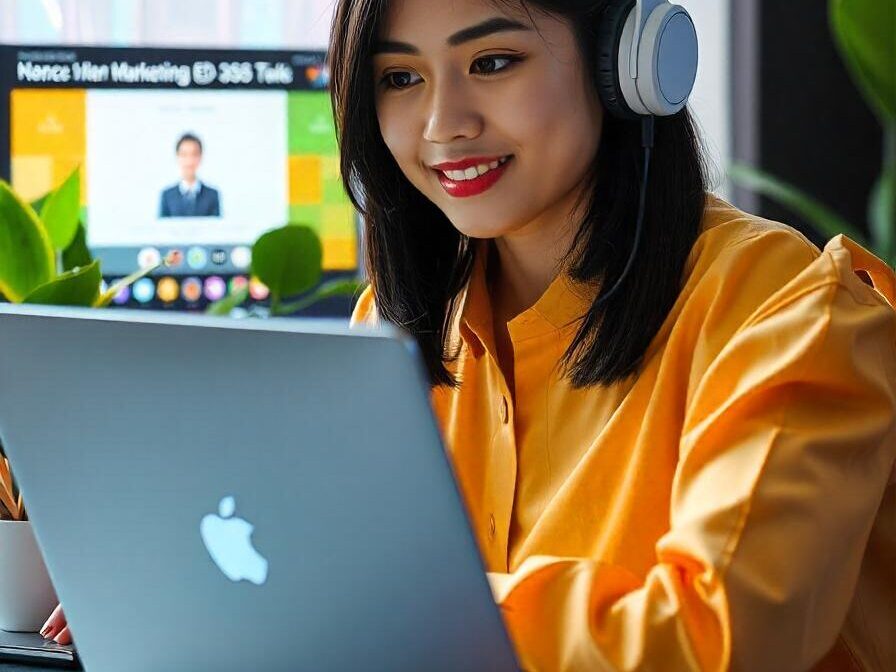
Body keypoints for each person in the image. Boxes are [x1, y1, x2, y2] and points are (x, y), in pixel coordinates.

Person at [43, 1, 896, 669]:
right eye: (399, 79)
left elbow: (717, 642)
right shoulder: (400, 324)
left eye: (493, 62)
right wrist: (179, 599)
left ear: (629, 67)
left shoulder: (790, 310)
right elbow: (309, 572)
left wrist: (376, 608)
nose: (443, 123)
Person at [158, 133, 221, 218]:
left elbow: (215, 228)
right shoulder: (167, 196)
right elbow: (163, 229)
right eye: (184, 155)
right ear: (177, 157)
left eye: (194, 154)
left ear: (200, 157)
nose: (189, 160)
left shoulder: (212, 195)